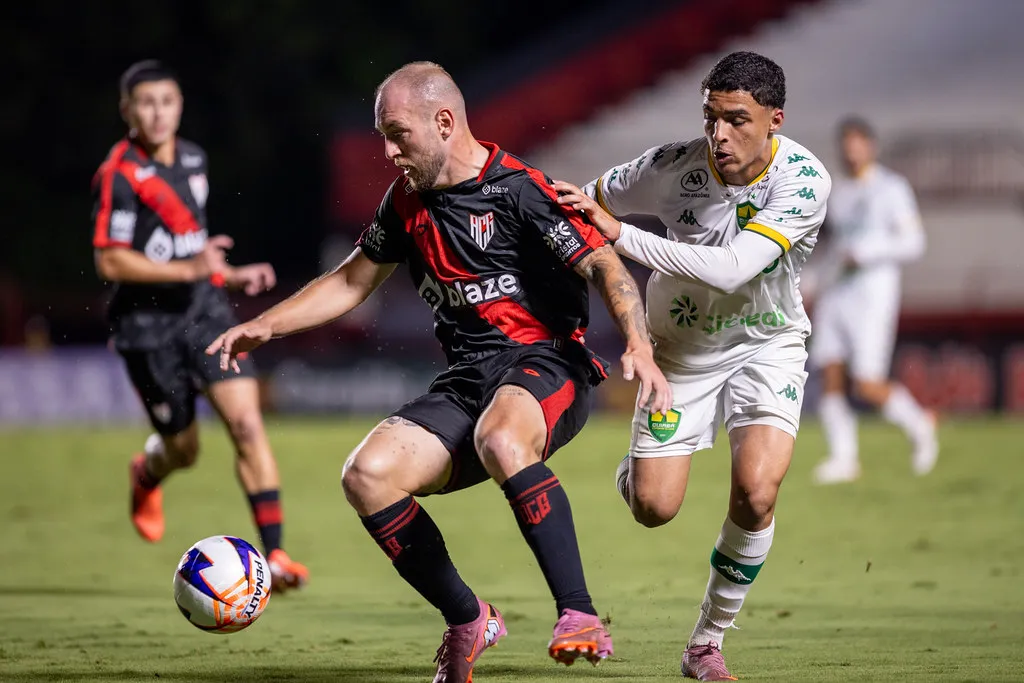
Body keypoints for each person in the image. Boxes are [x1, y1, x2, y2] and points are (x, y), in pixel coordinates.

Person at [208, 61, 671, 682]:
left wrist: (637, 343)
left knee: (502, 436)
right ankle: (468, 617)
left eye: (398, 133)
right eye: (382, 136)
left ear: (445, 121)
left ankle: (579, 613)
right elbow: (350, 281)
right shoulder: (405, 203)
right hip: (467, 382)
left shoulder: (521, 190)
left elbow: (607, 267)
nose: (389, 150)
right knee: (367, 475)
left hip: (546, 365)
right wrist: (265, 325)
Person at [552, 51, 831, 681]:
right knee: (654, 509)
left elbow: (734, 268)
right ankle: (641, 468)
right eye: (710, 118)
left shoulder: (805, 181)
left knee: (757, 492)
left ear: (774, 121)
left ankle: (706, 643)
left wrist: (618, 235)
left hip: (768, 343)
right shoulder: (669, 166)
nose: (719, 136)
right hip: (680, 351)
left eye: (736, 120)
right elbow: (583, 206)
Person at [90, 60, 308, 591]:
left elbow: (193, 248)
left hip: (204, 314)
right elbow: (110, 261)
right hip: (146, 328)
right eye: (146, 103)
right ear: (127, 110)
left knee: (247, 425)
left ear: (179, 105)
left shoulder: (193, 159)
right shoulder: (117, 175)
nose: (158, 112)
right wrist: (188, 268)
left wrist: (228, 275)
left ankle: (276, 555)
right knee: (184, 450)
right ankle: (147, 471)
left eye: (167, 101)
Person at [806, 116, 937, 484]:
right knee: (829, 370)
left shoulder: (891, 188)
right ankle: (843, 459)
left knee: (866, 382)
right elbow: (835, 249)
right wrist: (814, 282)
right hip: (838, 294)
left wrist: (869, 251)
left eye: (858, 143)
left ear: (870, 146)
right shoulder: (840, 192)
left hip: (873, 295)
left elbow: (914, 243)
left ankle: (919, 424)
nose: (851, 151)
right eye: (846, 145)